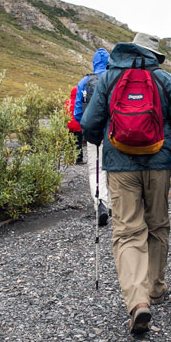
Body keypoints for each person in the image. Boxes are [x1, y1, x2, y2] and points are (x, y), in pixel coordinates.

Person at [80, 33, 171, 334]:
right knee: (157, 225)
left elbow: (90, 125)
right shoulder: (167, 81)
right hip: (158, 162)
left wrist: (102, 142)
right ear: (154, 56)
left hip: (119, 166)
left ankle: (137, 301)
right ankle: (156, 287)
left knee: (127, 231)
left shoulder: (108, 79)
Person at [75, 48, 111, 225]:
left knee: (95, 169)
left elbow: (77, 113)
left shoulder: (84, 81)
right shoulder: (114, 78)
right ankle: (113, 203)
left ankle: (101, 204)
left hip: (93, 133)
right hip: (113, 132)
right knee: (112, 167)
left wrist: (85, 127)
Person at [65, 85, 84, 164]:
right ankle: (79, 159)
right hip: (78, 127)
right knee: (78, 143)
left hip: (69, 127)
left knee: (70, 143)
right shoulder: (79, 102)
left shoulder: (67, 102)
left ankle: (70, 159)